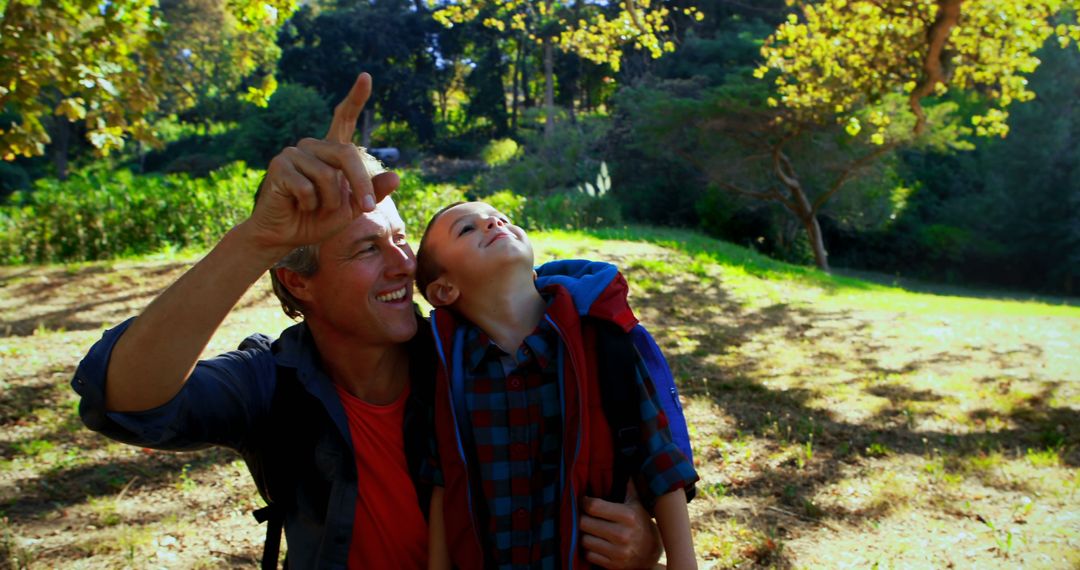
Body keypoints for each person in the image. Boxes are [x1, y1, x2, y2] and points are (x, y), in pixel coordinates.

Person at [71, 72, 664, 569]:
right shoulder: (271, 385)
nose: (404, 265)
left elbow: (605, 452)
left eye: (402, 239)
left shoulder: (476, 357)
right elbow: (122, 399)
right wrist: (257, 241)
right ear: (297, 281)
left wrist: (642, 540)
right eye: (365, 250)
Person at [416, 202, 699, 569]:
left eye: (502, 218)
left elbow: (660, 459)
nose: (493, 221)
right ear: (444, 290)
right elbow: (444, 485)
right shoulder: (446, 370)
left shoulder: (601, 341)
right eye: (466, 229)